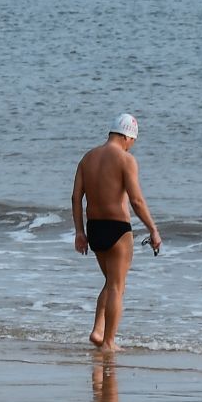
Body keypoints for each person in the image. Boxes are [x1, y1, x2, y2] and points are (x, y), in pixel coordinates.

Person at [69, 115, 161, 350]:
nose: (132, 145)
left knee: (110, 282)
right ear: (128, 136)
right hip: (118, 228)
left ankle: (99, 331)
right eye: (133, 141)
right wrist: (153, 229)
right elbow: (137, 200)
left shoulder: (87, 158)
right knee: (117, 287)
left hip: (94, 228)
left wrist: (79, 232)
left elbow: (76, 197)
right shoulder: (126, 159)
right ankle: (109, 342)